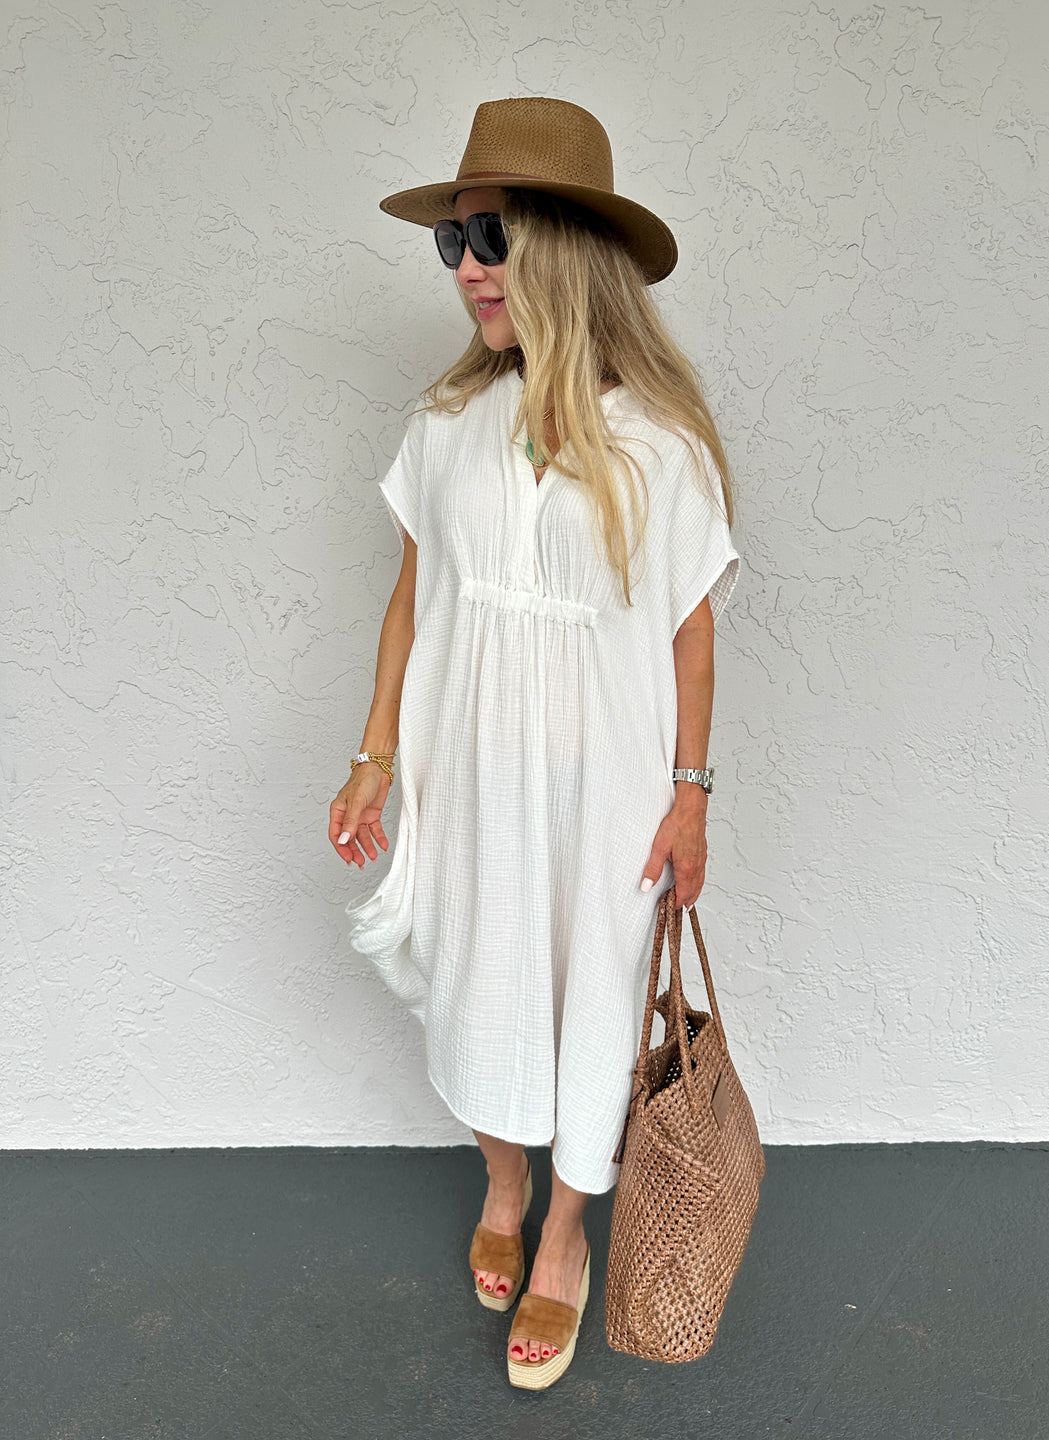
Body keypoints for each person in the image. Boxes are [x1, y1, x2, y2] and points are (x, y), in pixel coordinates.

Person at [329, 98, 741, 1389]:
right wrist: (376, 752)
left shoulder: (656, 444)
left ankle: (561, 1231)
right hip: (469, 777)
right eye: (451, 239)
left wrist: (690, 801)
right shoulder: (444, 426)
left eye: (492, 234)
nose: (466, 267)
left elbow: (687, 637)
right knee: (471, 982)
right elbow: (412, 597)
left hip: (606, 796)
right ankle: (500, 1175)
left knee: (585, 1004)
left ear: (567, 248)